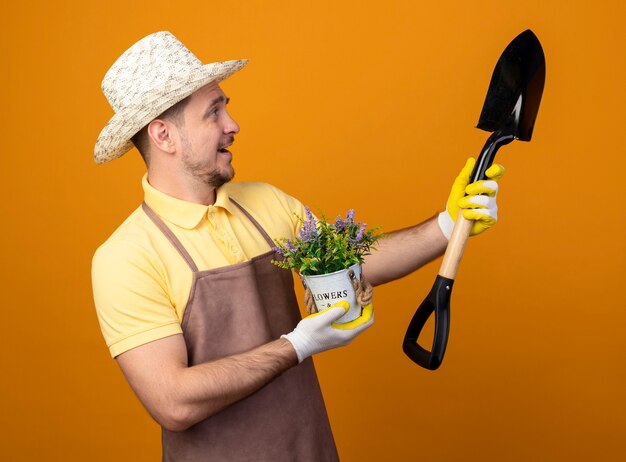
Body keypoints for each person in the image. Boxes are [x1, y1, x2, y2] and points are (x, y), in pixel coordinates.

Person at [92, 31, 504, 462]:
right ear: (164, 136)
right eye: (213, 113)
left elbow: (356, 265)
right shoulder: (126, 258)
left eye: (225, 108)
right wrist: (297, 345)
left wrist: (448, 223)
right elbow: (172, 401)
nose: (232, 125)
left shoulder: (267, 203)